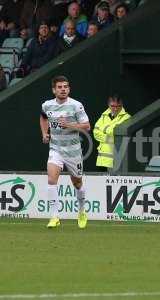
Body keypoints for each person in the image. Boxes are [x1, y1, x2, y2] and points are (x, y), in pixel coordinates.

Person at [40, 76, 91, 229]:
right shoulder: (47, 105)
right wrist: (44, 133)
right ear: (54, 90)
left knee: (77, 182)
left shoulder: (76, 105)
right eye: (60, 87)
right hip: (56, 149)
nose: (63, 89)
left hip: (73, 151)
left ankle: (82, 211)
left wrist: (69, 125)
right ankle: (55, 216)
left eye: (66, 87)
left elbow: (87, 126)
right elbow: (43, 118)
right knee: (51, 179)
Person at [93, 95, 131, 171]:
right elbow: (96, 133)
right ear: (108, 105)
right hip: (102, 159)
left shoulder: (127, 117)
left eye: (118, 106)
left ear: (122, 105)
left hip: (117, 158)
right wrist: (110, 136)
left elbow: (118, 136)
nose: (115, 109)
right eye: (113, 106)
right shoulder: (104, 116)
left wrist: (104, 130)